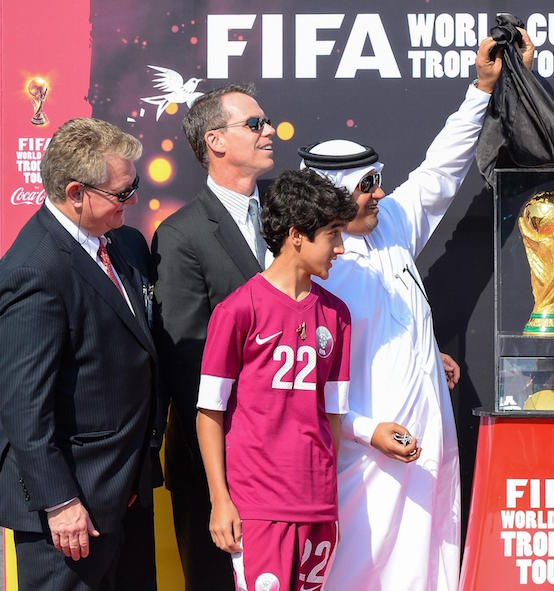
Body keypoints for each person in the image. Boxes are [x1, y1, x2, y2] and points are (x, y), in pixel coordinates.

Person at [301, 37, 503, 591]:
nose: (380, 193)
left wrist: (481, 90)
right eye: (367, 186)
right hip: (362, 464)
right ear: (333, 195)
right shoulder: (310, 272)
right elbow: (303, 386)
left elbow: (439, 173)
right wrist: (369, 433)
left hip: (426, 451)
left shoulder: (389, 225)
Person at [0, 117, 163, 590]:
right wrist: (59, 502)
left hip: (124, 491)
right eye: (121, 194)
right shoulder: (35, 271)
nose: (131, 203)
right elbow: (23, 405)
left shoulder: (122, 245)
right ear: (75, 193)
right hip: (72, 514)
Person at [195, 169, 358, 590]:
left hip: (319, 506)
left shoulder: (337, 315)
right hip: (259, 506)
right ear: (296, 236)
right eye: (333, 235)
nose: (340, 248)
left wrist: (326, 491)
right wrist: (220, 500)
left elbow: (332, 416)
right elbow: (208, 412)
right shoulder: (237, 310)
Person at [152, 83, 276, 589]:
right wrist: (224, 472)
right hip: (220, 460)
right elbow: (189, 363)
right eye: (254, 124)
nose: (269, 132)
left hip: (290, 454)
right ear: (215, 141)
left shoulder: (288, 218)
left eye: (266, 123)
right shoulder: (181, 234)